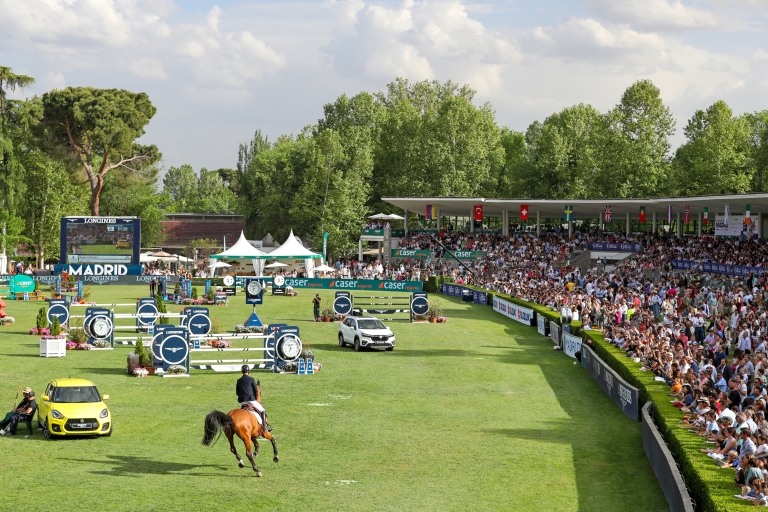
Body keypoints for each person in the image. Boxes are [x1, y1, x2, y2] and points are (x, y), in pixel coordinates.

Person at [236, 365, 271, 432]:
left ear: (242, 371)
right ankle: (265, 428)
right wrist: (254, 398)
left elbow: (237, 392)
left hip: (242, 402)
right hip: (251, 400)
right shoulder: (251, 379)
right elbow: (256, 391)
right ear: (248, 371)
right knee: (262, 410)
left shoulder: (238, 380)